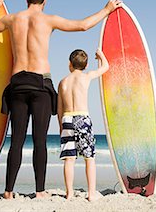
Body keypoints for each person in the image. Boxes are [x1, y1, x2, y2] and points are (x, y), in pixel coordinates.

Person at [0, 0, 122, 199]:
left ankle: (8, 192)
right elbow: (83, 26)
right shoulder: (49, 20)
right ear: (45, 1)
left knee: (17, 140)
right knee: (40, 140)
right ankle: (39, 192)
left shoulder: (12, 20)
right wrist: (107, 9)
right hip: (40, 86)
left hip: (18, 84)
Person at [58, 49, 109, 201]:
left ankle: (69, 193)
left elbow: (59, 108)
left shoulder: (63, 82)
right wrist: (100, 55)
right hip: (82, 118)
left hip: (67, 119)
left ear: (69, 64)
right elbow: (105, 67)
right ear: (86, 66)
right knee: (89, 157)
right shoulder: (86, 76)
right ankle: (91, 194)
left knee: (69, 159)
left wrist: (61, 125)